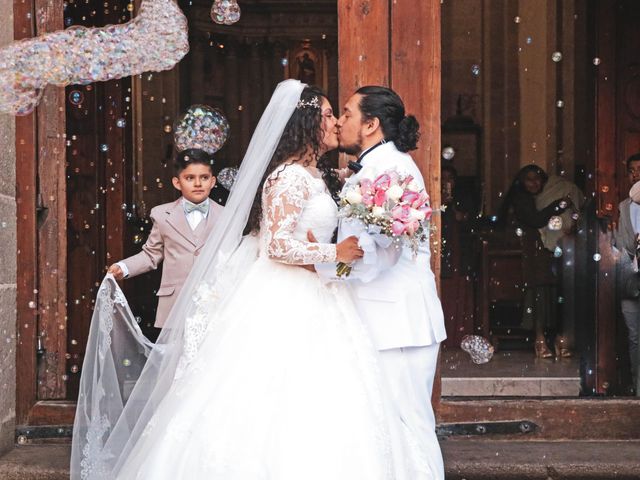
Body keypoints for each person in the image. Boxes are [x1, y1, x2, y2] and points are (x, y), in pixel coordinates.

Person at [72, 80, 429, 479]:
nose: (335, 122)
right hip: (283, 298)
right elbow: (275, 246)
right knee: (267, 395)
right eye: (329, 114)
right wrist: (333, 253)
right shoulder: (288, 177)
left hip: (321, 294)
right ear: (307, 121)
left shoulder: (320, 175)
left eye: (340, 114)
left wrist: (329, 256)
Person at [316, 85, 447, 479]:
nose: (340, 121)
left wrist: (319, 266)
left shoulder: (390, 172)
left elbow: (378, 256)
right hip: (383, 319)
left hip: (397, 323)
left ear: (371, 124)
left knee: (410, 428)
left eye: (348, 113)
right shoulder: (375, 167)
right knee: (388, 429)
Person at [106, 148, 223, 327]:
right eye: (190, 178)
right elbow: (150, 255)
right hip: (174, 304)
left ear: (213, 181)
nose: (198, 183)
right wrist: (124, 267)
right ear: (177, 182)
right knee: (175, 355)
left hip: (214, 302)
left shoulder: (227, 216)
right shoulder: (162, 215)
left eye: (204, 177)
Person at [499, 164, 573, 358]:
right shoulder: (520, 198)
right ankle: (540, 340)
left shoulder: (539, 198)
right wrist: (560, 204)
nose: (534, 183)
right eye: (529, 179)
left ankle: (556, 339)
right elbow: (536, 219)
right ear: (521, 182)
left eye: (538, 178)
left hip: (543, 250)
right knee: (538, 291)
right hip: (530, 252)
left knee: (552, 291)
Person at [614, 152, 640, 395]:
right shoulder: (623, 207)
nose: (637, 175)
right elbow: (621, 243)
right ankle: (637, 385)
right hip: (630, 280)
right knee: (634, 336)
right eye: (632, 170)